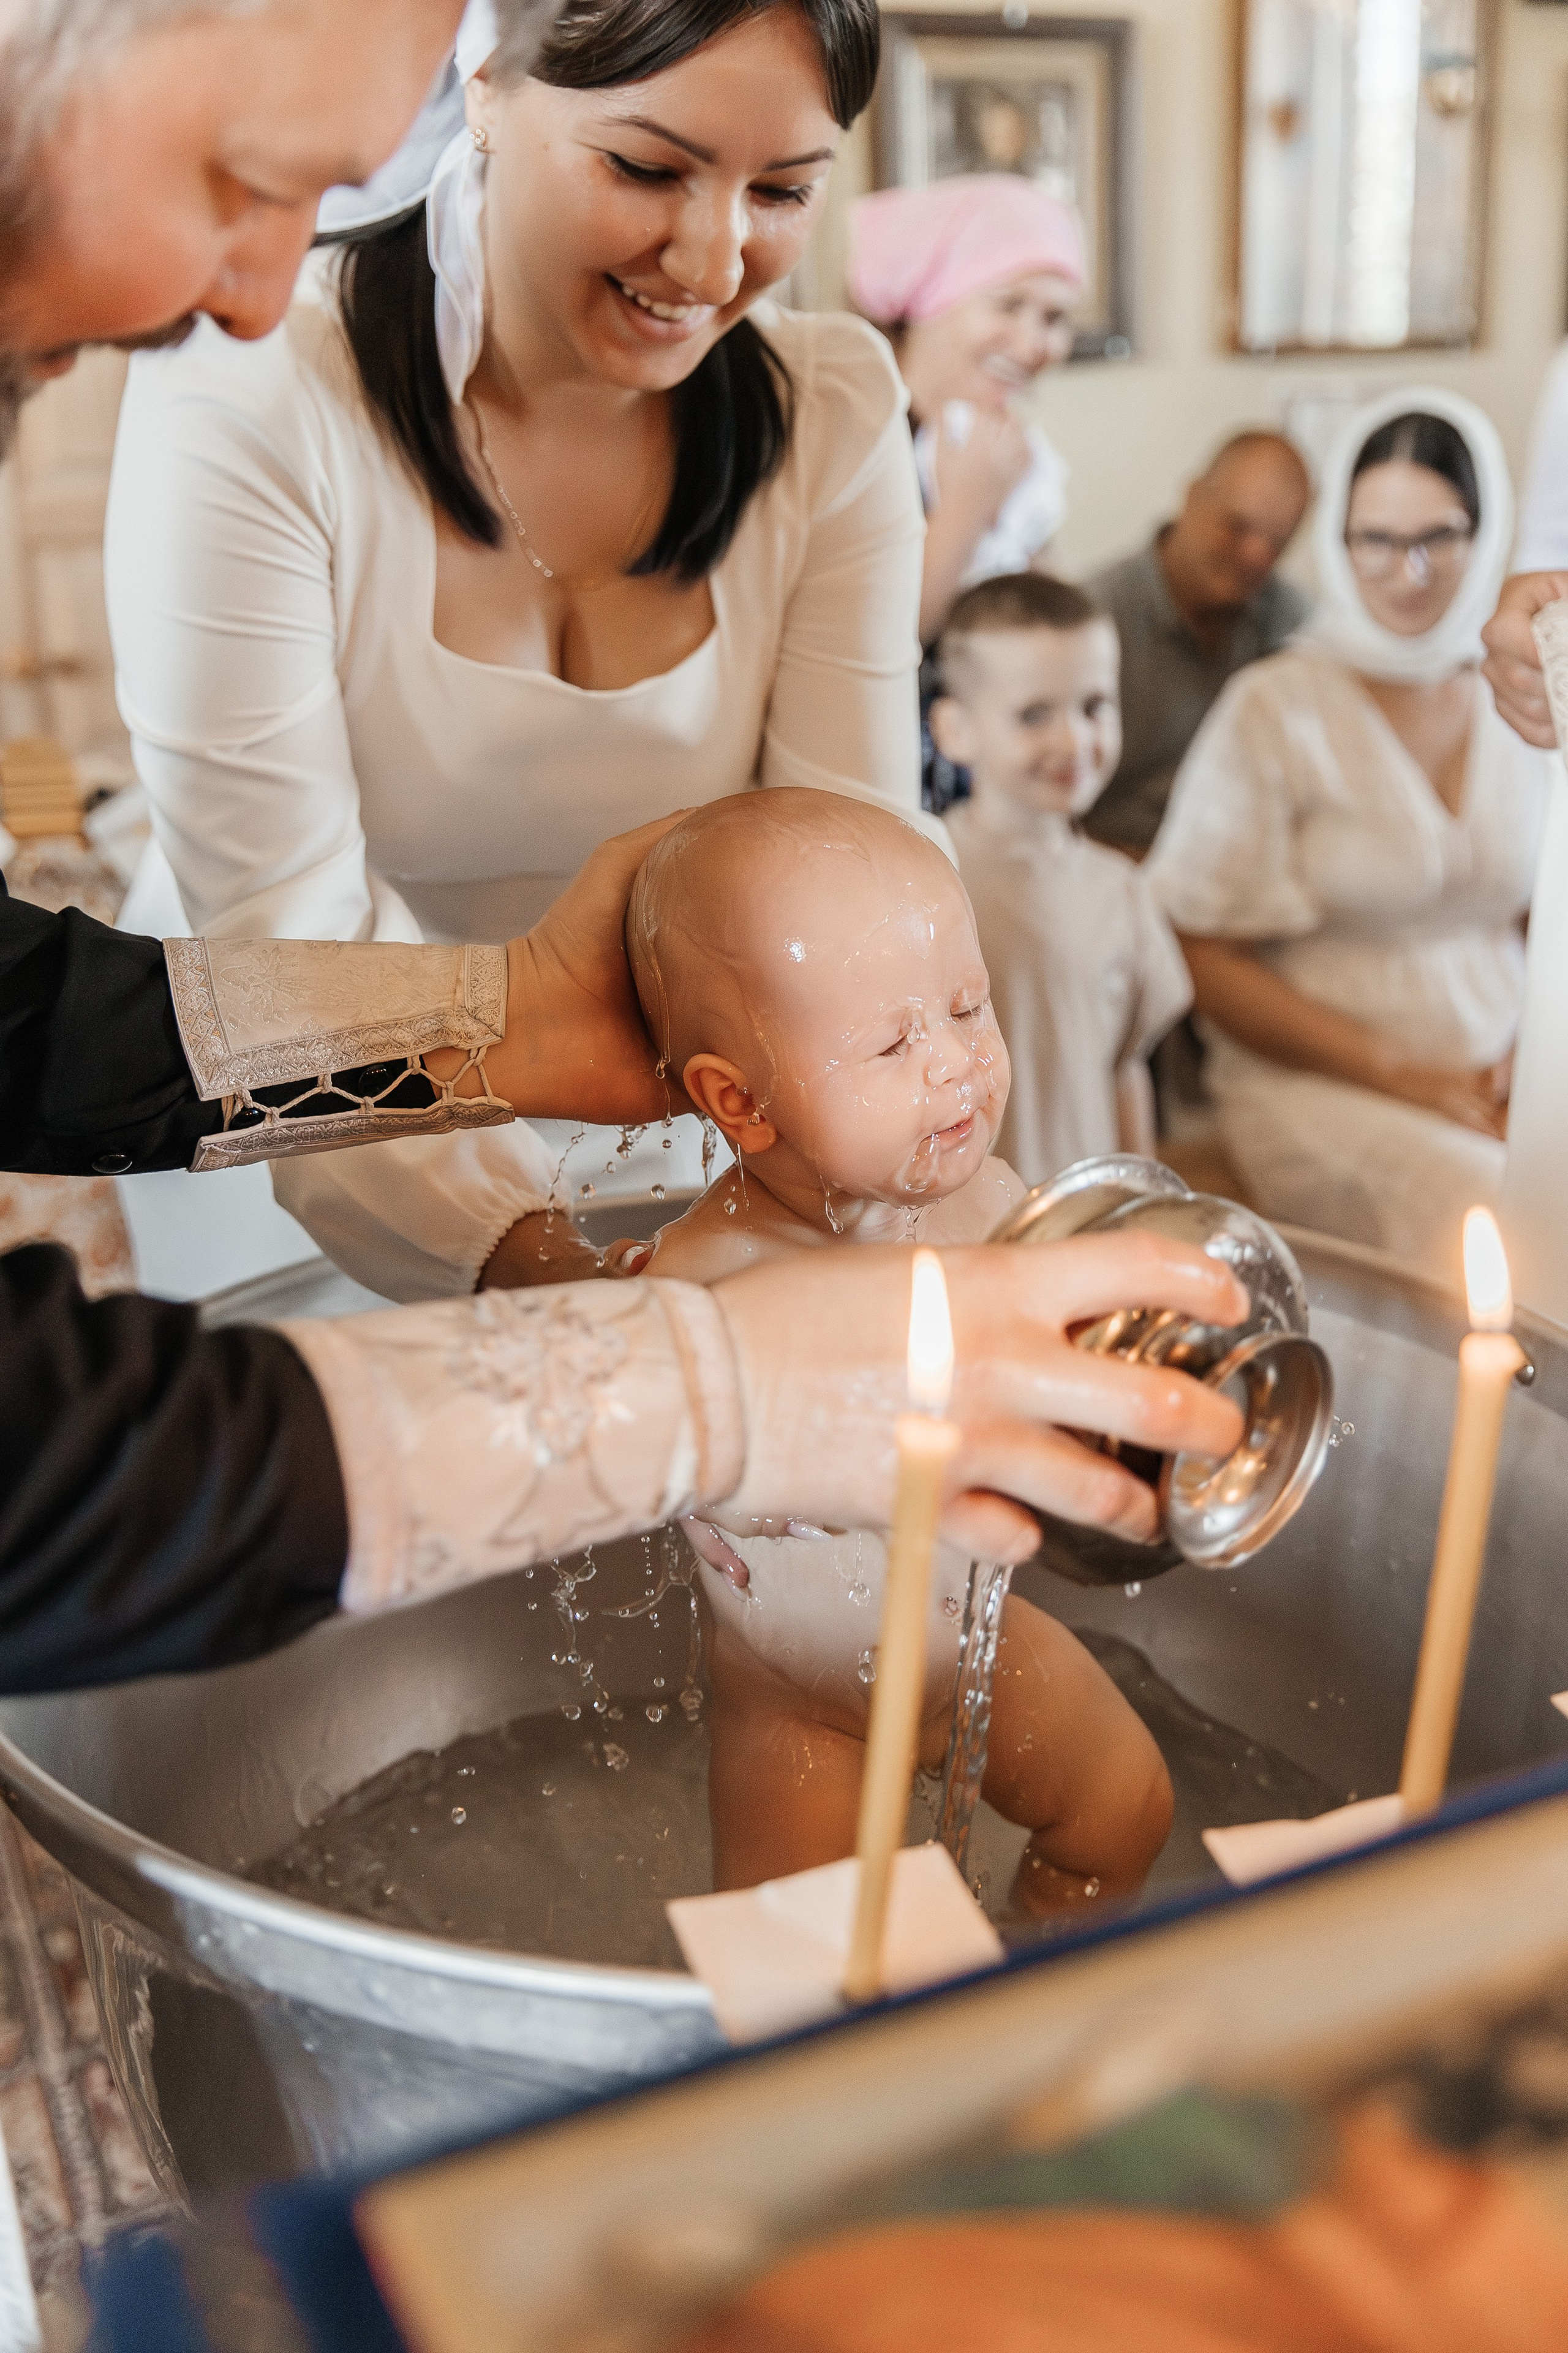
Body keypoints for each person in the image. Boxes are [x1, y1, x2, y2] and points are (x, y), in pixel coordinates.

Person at [104, 0, 937, 1306]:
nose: (713, 261)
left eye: (781, 190)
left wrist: (862, 1192)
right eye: (646, 169)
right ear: (486, 80)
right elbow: (283, 934)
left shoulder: (830, 412)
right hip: (289, 1124)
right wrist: (558, 1274)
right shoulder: (255, 386)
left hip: (676, 1133)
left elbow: (851, 879)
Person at [620, 789, 1174, 1919]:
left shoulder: (993, 1204)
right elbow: (624, 1432)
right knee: (802, 1975)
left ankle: (1024, 1982)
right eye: (892, 1042)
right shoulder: (709, 1276)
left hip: (976, 1644)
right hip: (802, 1701)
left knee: (1126, 1809)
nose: (958, 1063)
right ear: (742, 1101)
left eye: (969, 1006)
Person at [1146, 391, 1551, 1278]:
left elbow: (1538, 910)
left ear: (1486, 530)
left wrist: (1533, 1050)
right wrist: (1409, 1075)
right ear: (1338, 538)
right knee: (1512, 1215)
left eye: (1438, 536)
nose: (1408, 570)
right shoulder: (1276, 705)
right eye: (1377, 539)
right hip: (1319, 1086)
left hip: (1506, 1076)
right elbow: (1200, 950)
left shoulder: (1520, 696)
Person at [930, 575, 1192, 1187]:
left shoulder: (1123, 890)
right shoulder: (929, 875)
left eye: (1094, 706)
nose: (1073, 740)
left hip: (1083, 1208)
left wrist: (1143, 1201)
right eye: (1034, 715)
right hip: (965, 1212)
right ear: (955, 730)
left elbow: (1125, 1068)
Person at [846, 173, 1085, 646]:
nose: (1033, 346)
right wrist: (968, 507)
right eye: (1008, 306)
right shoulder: (850, 437)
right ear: (928, 301)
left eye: (1054, 318)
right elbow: (869, 646)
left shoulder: (1005, 445)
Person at [1082, 431, 1312, 861]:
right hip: (1113, 870)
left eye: (1277, 543)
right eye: (1238, 527)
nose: (1256, 556)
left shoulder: (1294, 624)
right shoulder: (1093, 619)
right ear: (1191, 498)